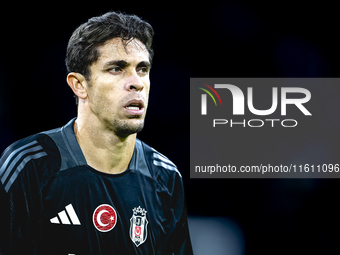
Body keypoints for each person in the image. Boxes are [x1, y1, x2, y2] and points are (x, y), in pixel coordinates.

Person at [0, 11, 193, 255]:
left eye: (142, 69)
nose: (137, 82)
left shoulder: (165, 177)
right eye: (117, 69)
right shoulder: (29, 166)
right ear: (79, 85)